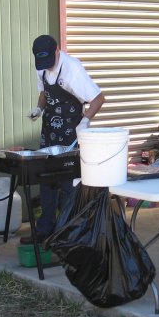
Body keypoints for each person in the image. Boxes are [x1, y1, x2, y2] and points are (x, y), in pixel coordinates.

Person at [21, 34, 105, 245]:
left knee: (67, 181)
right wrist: (39, 108)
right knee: (46, 178)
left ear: (57, 51)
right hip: (50, 128)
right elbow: (44, 92)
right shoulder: (41, 66)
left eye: (50, 60)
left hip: (71, 129)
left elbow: (98, 98)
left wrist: (85, 120)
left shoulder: (73, 69)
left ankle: (68, 232)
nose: (46, 66)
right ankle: (45, 230)